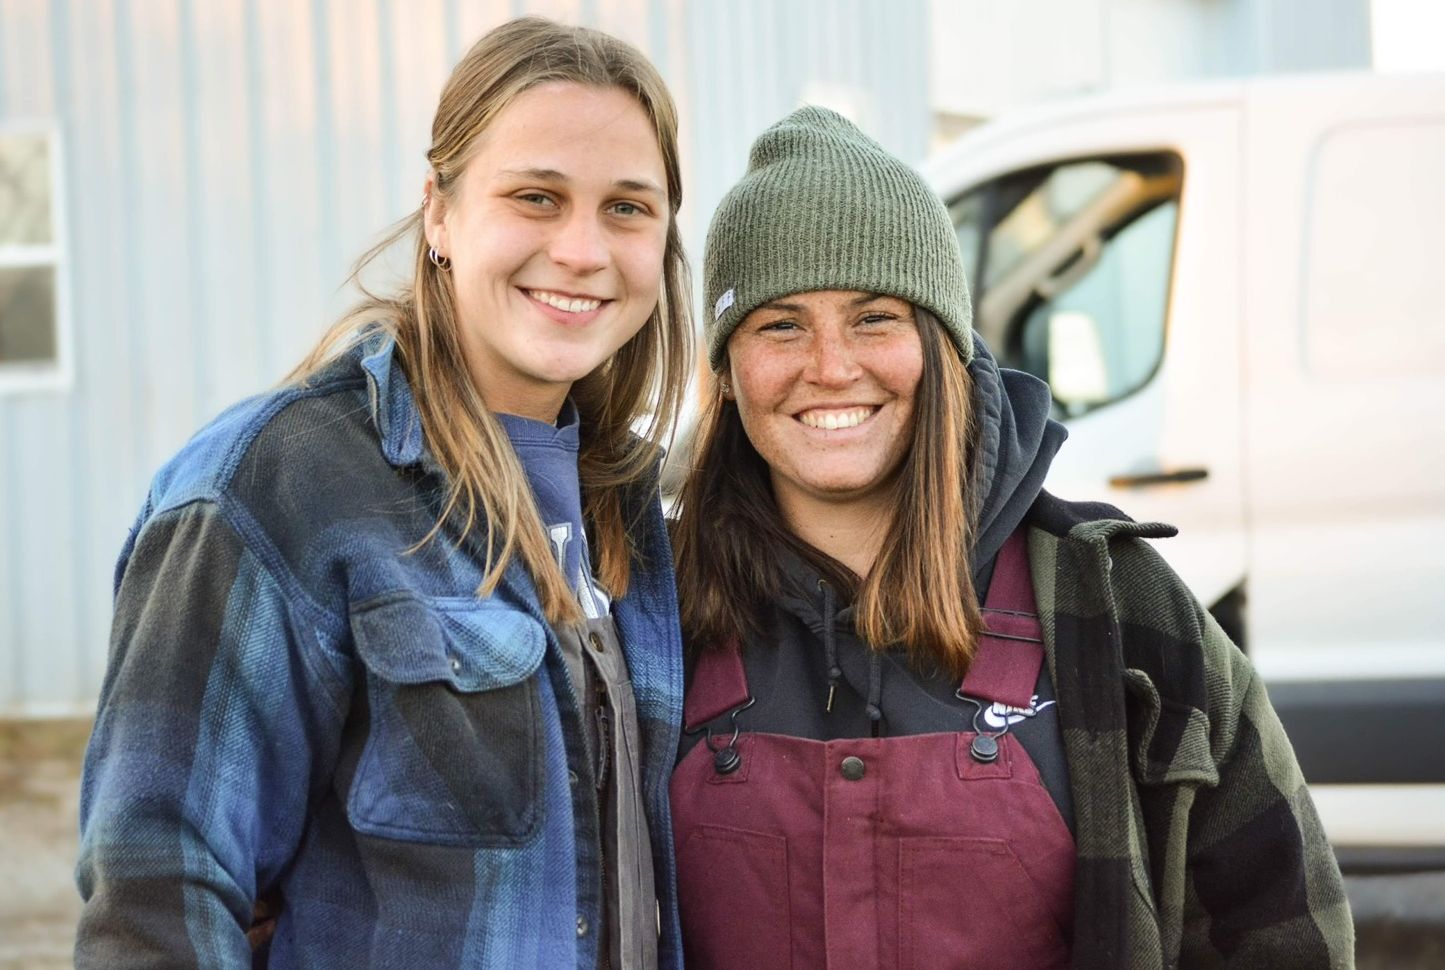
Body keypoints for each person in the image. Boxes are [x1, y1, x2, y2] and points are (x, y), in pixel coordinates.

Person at [669, 106, 1353, 969]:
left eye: (874, 317)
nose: (831, 366)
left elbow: (1285, 934)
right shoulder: (652, 612)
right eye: (780, 325)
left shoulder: (1114, 607)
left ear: (945, 350)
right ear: (728, 371)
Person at [75, 18, 691, 970]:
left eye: (626, 208)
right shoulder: (272, 488)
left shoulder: (636, 507)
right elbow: (155, 896)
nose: (581, 248)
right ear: (439, 213)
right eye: (535, 197)